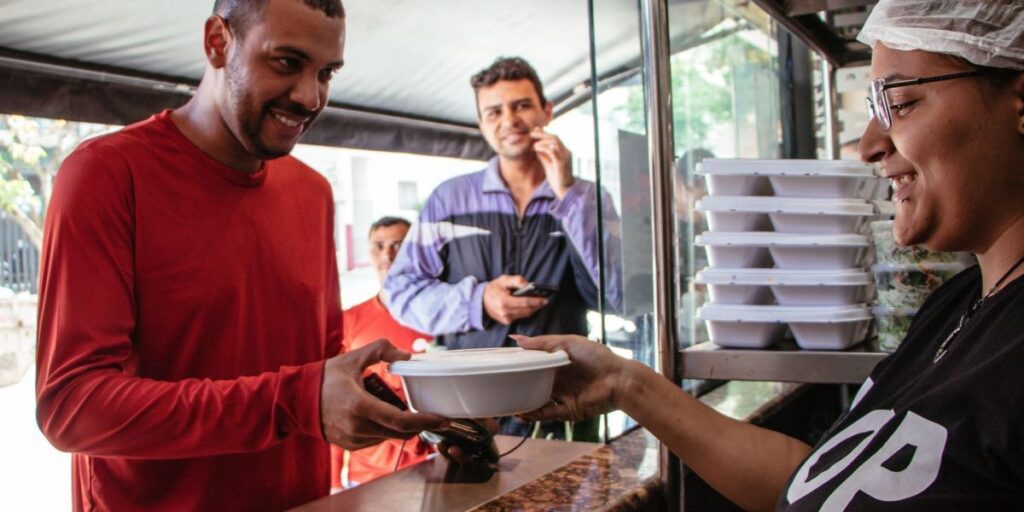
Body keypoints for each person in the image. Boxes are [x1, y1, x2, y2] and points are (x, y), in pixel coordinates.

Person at [516, 1, 1024, 510]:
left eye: (902, 102)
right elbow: (819, 483)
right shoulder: (960, 303)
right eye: (871, 107)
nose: (869, 144)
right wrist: (623, 382)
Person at [34, 1, 445, 511]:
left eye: (326, 73)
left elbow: (318, 366)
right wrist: (293, 401)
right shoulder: (107, 175)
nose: (310, 97)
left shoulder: (312, 193)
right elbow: (73, 409)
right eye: (286, 63)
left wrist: (432, 408)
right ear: (217, 42)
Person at [382, 56, 622, 437]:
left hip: (562, 404)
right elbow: (400, 292)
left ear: (547, 111)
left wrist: (568, 195)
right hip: (471, 409)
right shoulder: (450, 199)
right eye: (494, 111)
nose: (508, 120)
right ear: (481, 124)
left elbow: (618, 295)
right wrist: (479, 301)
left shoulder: (589, 198)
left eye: (522, 105)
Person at [330, 216, 434, 490]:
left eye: (398, 245)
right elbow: (332, 399)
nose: (387, 254)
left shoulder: (439, 319)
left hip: (432, 468)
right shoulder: (348, 320)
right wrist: (332, 481)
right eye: (378, 245)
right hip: (366, 475)